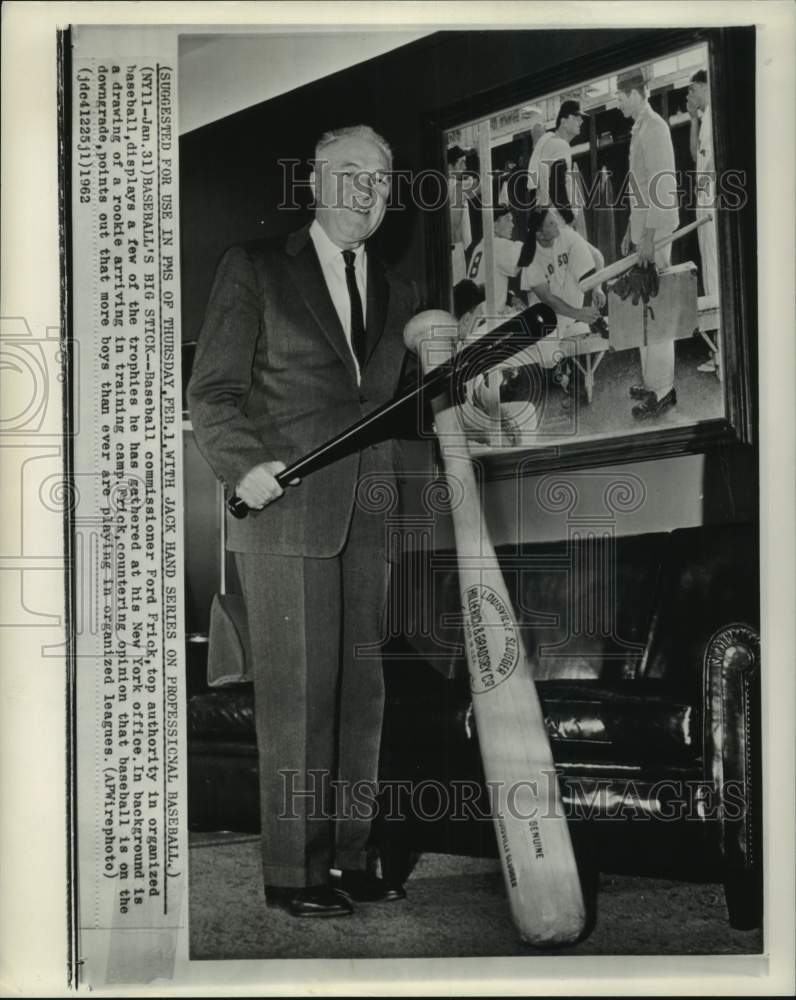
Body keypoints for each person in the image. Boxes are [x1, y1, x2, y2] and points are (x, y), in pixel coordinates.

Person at [188, 125, 417, 919]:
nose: (367, 191)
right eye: (350, 174)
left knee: (362, 694)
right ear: (315, 184)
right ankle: (295, 871)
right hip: (284, 512)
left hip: (369, 513)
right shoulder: (255, 269)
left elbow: (389, 411)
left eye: (382, 180)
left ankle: (350, 856)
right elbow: (211, 392)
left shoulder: (395, 289)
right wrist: (243, 466)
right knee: (297, 699)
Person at [617, 69, 680, 419]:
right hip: (643, 230)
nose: (617, 101)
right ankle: (652, 381)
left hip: (655, 234)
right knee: (644, 307)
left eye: (622, 95)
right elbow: (639, 187)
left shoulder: (655, 128)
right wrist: (631, 227)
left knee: (656, 309)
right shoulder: (639, 128)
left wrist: (650, 235)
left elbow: (662, 186)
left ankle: (664, 390)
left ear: (638, 93)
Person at [515, 207, 604, 376]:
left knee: (575, 256)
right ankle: (564, 373)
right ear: (539, 234)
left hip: (570, 305)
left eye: (554, 219)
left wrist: (597, 287)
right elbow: (548, 299)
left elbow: (597, 256)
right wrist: (578, 314)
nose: (556, 224)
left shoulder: (566, 235)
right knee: (548, 358)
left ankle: (575, 331)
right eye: (550, 223)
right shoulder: (530, 255)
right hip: (547, 313)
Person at [687, 68, 720, 374]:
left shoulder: (717, 114)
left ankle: (722, 354)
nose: (688, 96)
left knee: (714, 272)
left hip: (710, 201)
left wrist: (704, 183)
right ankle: (721, 351)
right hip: (704, 200)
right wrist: (693, 118)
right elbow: (695, 155)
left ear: (702, 87)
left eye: (691, 90)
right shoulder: (705, 117)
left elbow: (717, 160)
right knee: (710, 271)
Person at [527, 99, 587, 226]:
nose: (581, 121)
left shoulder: (549, 140)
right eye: (576, 117)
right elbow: (556, 188)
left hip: (548, 218)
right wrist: (570, 218)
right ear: (563, 122)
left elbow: (535, 186)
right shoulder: (560, 145)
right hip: (557, 220)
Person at [465, 207, 525, 308]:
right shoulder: (496, 244)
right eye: (507, 219)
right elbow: (526, 254)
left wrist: (511, 298)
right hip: (488, 317)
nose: (512, 225)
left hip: (475, 311)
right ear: (494, 225)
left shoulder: (480, 246)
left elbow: (489, 287)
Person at [447, 144, 470, 283]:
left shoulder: (450, 184)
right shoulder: (456, 186)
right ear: (450, 167)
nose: (465, 167)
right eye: (461, 163)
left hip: (455, 249)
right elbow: (453, 225)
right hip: (455, 249)